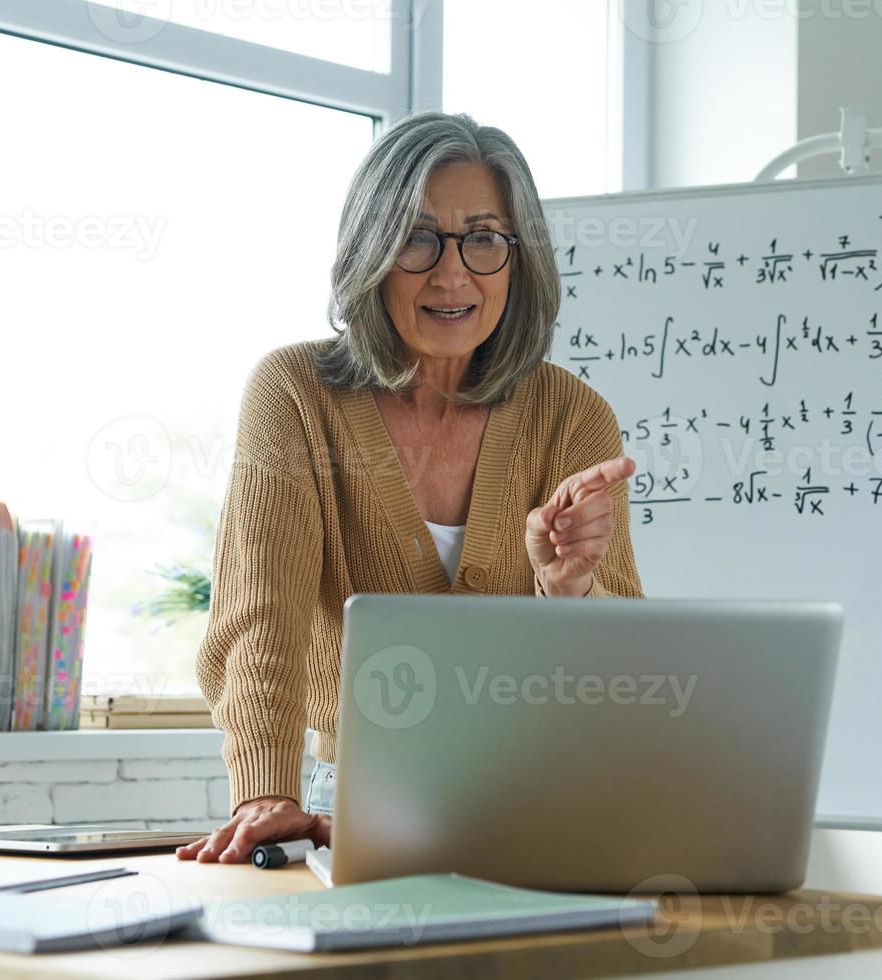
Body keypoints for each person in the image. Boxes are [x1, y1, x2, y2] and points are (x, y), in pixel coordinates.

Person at [178, 111, 643, 866]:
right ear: (370, 250)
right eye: (416, 237)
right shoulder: (295, 392)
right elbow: (261, 619)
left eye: (483, 238)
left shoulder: (573, 416)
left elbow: (629, 673)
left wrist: (568, 593)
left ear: (517, 260)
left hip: (537, 793)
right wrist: (266, 791)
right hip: (348, 800)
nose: (451, 273)